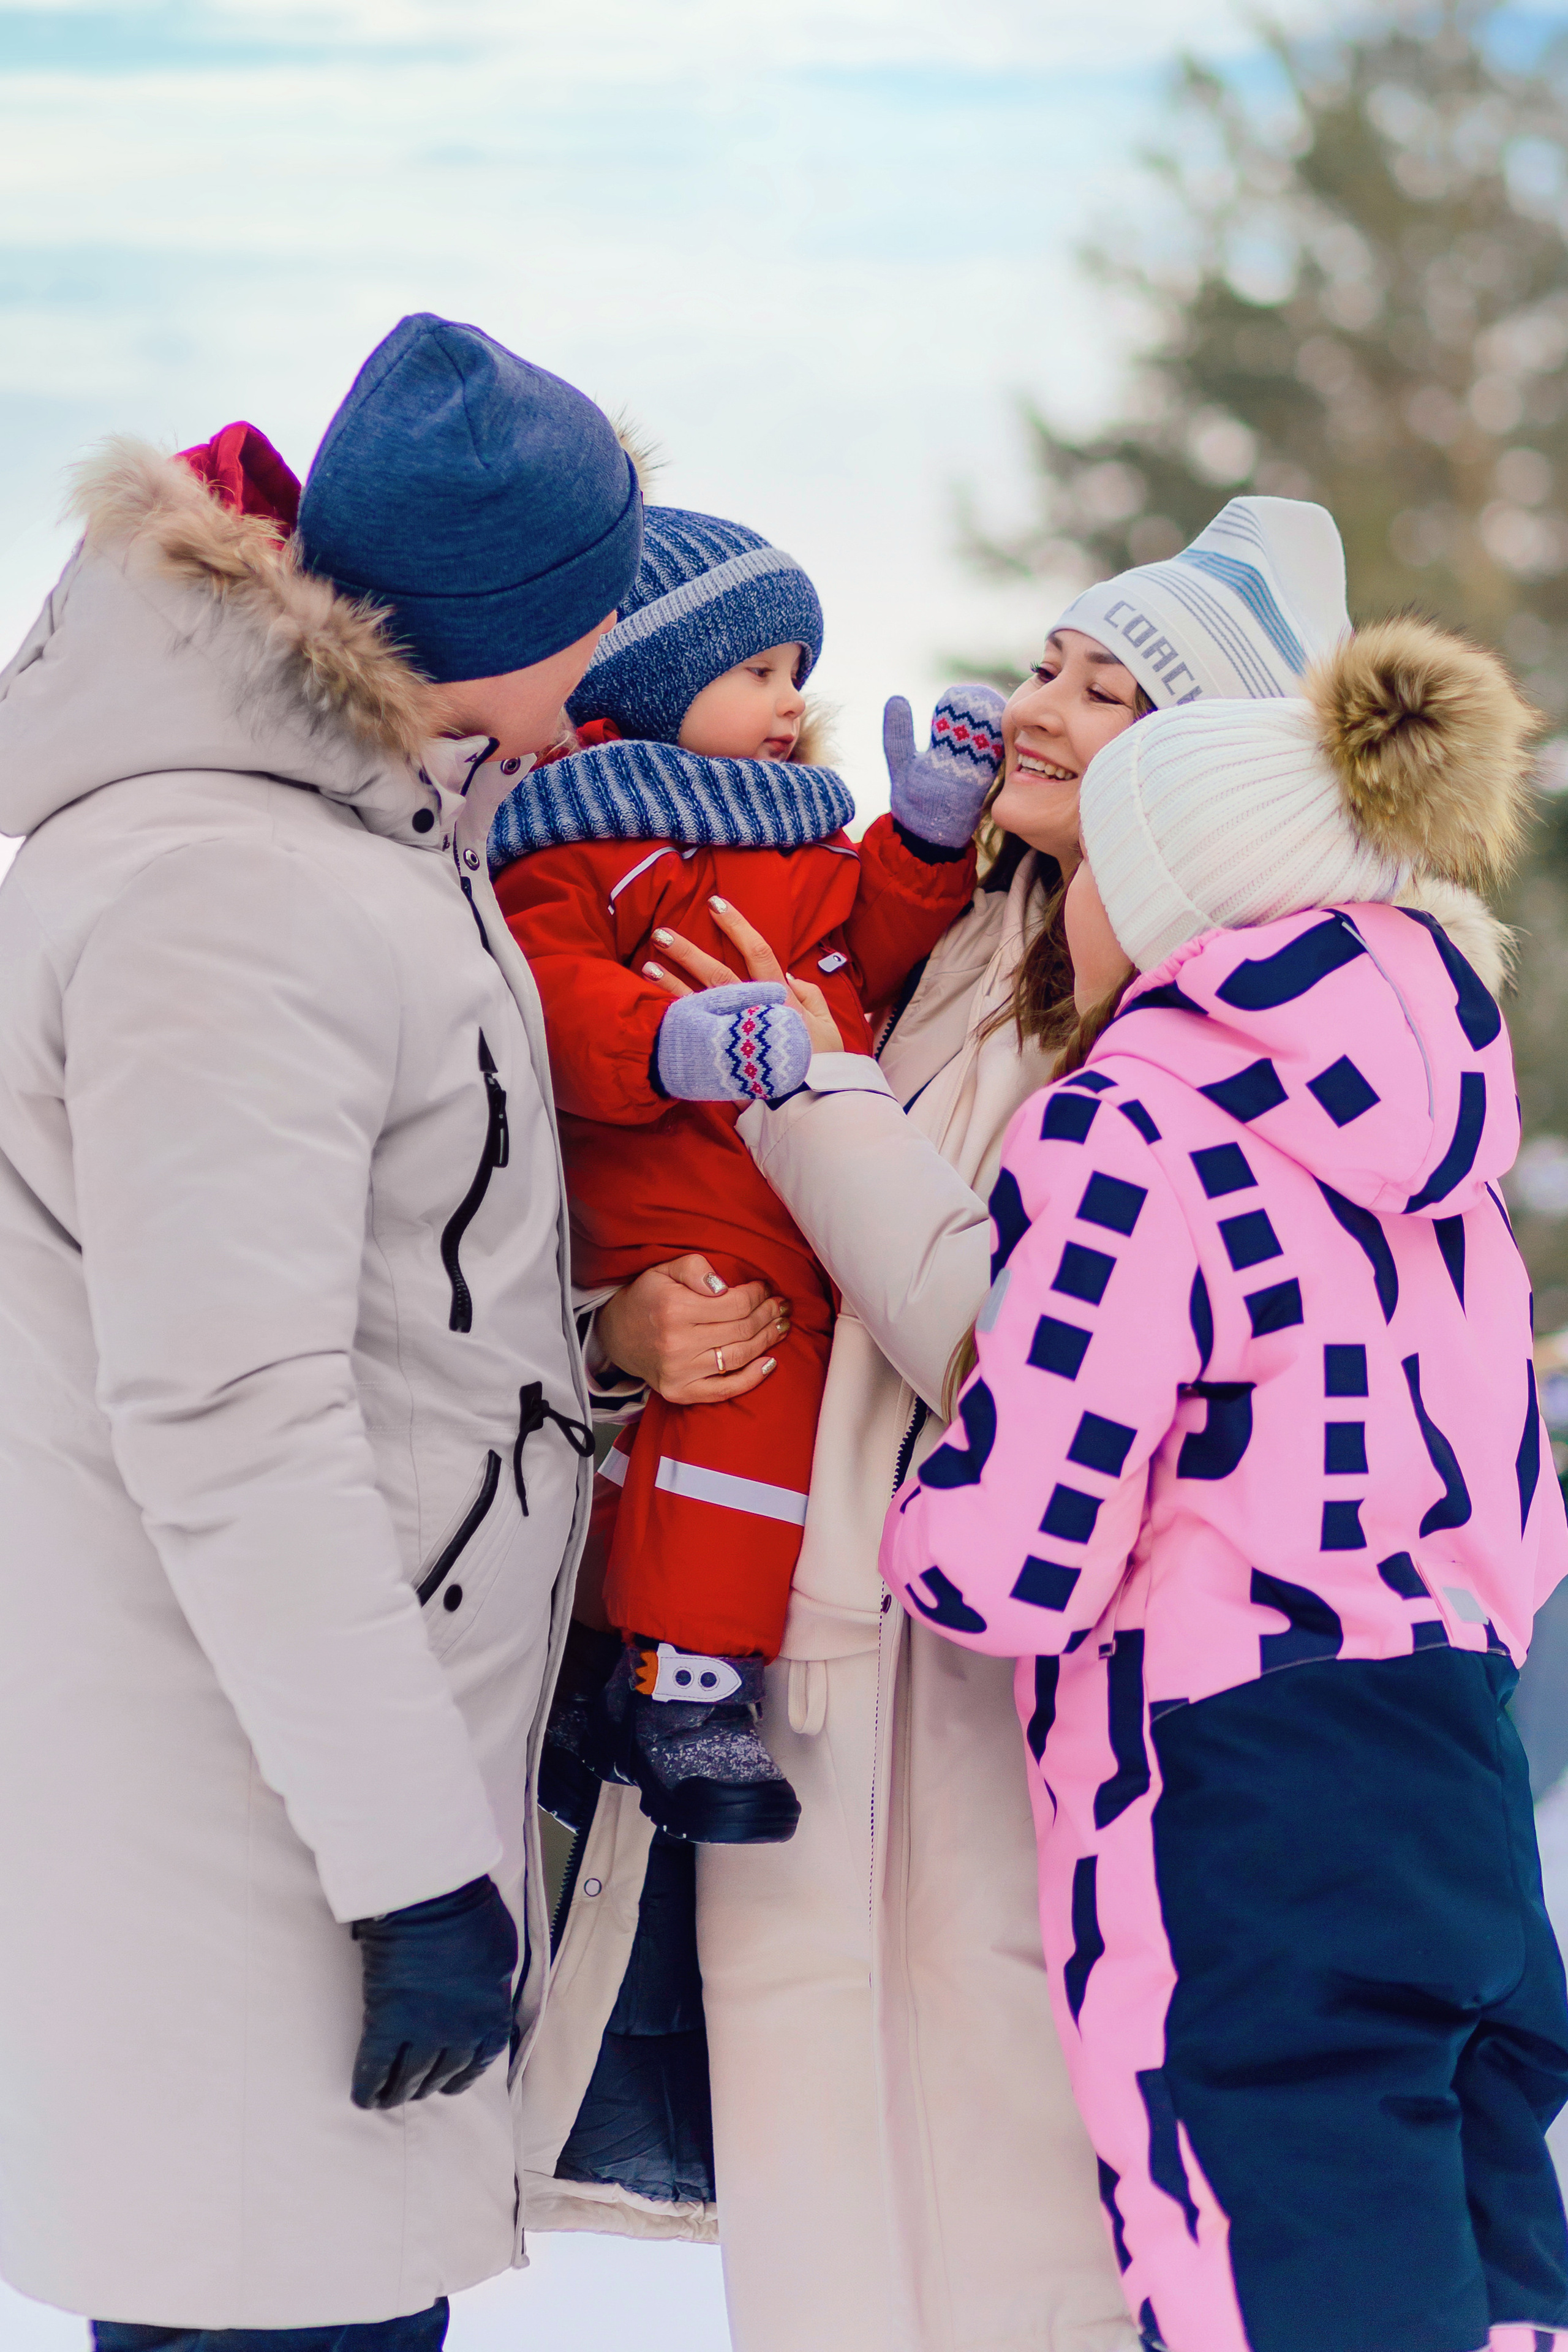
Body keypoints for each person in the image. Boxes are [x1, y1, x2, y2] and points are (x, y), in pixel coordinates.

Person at [522, 499, 1481, 2351]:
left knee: (1012, 2219)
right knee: (821, 2239)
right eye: (1051, 659)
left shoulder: (1182, 1027)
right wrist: (625, 1330)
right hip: (816, 1666)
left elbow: (1019, 1348)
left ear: (1203, 770)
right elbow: (717, 1213)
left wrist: (801, 1081)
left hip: (1013, 1691)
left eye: (1109, 691)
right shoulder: (963, 930)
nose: (1039, 707)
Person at [0, 312, 641, 2349]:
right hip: (261, 1851)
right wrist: (415, 1882)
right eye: (594, 615)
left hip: (297, 1797)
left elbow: (380, 1305)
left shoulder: (322, 846)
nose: (606, 669)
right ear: (503, 617)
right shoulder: (231, 892)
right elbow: (233, 1415)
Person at [880, 614, 1568, 2352]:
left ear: (1179, 893)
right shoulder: (1446, 1147)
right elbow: (1521, 1508)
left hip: (1233, 1794)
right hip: (1458, 1760)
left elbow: (1020, 1555)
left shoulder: (1138, 1122)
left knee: (1261, 2285)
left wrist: (916, 1514)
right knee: (1482, 2290)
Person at [488, 502, 995, 1842]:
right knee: (733, 1402)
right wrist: (670, 1037)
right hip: (673, 1189)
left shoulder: (798, 840)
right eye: (757, 673)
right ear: (657, 679)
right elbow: (541, 994)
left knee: (732, 1401)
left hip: (772, 1194)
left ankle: (617, 1669)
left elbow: (863, 952)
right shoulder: (580, 838)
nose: (789, 707)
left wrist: (926, 847)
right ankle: (686, 1682)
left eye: (796, 677)